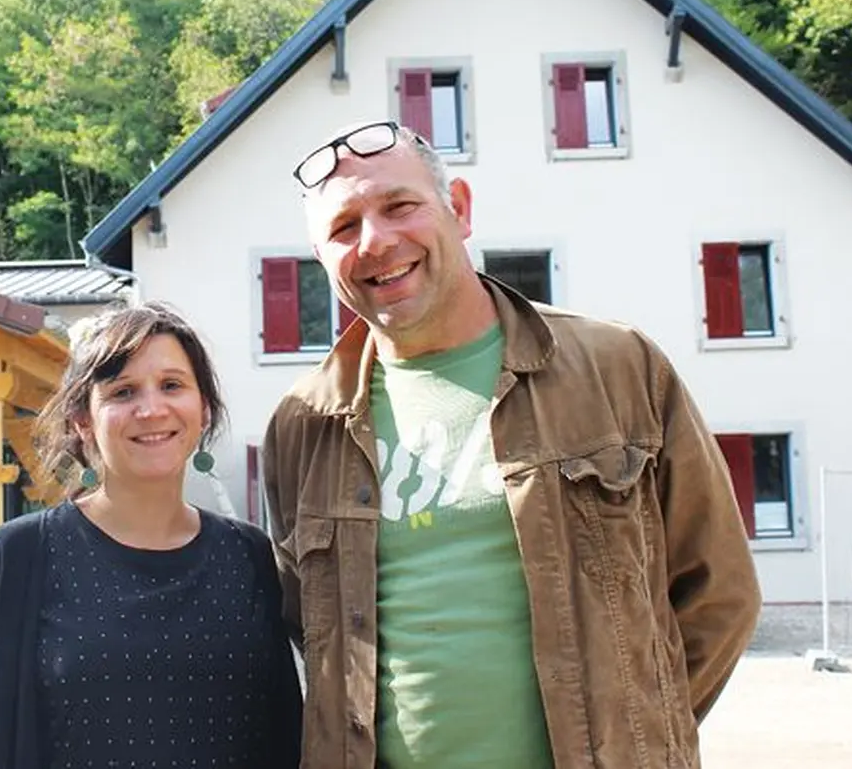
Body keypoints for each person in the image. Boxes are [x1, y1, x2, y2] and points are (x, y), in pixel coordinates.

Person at [263, 121, 762, 768]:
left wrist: (630, 737)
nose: (376, 241)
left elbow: (719, 593)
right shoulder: (306, 424)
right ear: (322, 259)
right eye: (342, 228)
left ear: (459, 209)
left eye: (399, 206)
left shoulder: (619, 368)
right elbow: (312, 626)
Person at [0, 301, 302, 769]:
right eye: (123, 391)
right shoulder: (12, 560)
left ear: (204, 409)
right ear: (82, 419)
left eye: (172, 385)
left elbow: (284, 734)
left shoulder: (251, 557)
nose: (151, 409)